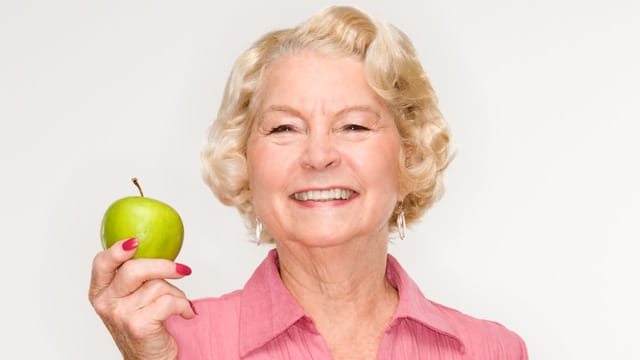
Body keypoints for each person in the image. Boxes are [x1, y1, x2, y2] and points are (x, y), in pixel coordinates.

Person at [89, 6, 527, 359]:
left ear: (408, 154)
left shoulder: (493, 352)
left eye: (354, 126)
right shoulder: (175, 346)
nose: (319, 156)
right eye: (284, 129)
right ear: (244, 163)